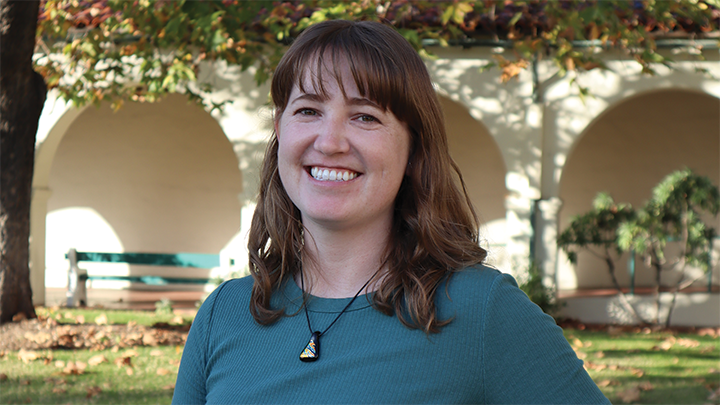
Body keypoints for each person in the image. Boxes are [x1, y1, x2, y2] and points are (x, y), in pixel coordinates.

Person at [172, 19, 611, 404]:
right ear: (280, 129)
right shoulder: (223, 314)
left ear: (413, 145)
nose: (330, 141)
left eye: (365, 117)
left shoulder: (483, 313)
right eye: (308, 110)